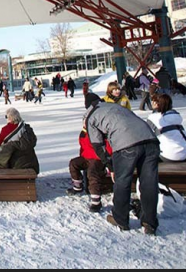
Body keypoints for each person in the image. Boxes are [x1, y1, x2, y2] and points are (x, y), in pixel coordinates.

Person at [84, 93, 160, 235]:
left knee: (122, 181)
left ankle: (120, 219)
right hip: (151, 140)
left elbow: (98, 145)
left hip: (126, 145)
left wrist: (110, 166)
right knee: (149, 183)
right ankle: (149, 223)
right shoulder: (115, 106)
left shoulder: (91, 116)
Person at [67, 119, 113, 213]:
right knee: (73, 163)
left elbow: (108, 148)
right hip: (86, 157)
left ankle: (96, 201)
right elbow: (83, 146)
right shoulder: (84, 133)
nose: (84, 124)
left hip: (98, 159)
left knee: (92, 173)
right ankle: (77, 186)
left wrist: (106, 161)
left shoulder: (99, 132)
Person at [0, 108, 40, 174]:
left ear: (10, 118)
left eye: (6, 116)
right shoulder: (26, 129)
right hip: (33, 165)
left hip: (16, 165)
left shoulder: (5, 130)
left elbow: (0, 146)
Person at [146, 94, 186, 163]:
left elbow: (147, 135)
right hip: (184, 153)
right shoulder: (176, 116)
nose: (152, 103)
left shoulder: (154, 117)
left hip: (169, 155)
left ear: (157, 104)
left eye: (153, 101)